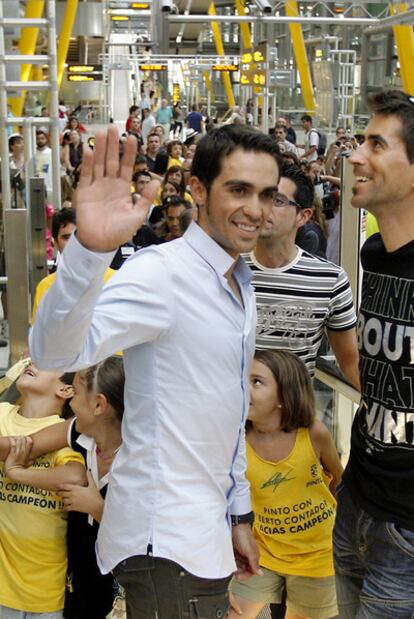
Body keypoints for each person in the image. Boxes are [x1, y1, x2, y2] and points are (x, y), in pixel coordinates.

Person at [29, 124, 282, 619]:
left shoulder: (238, 279)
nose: (256, 208)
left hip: (203, 536)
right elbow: (56, 352)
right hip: (166, 545)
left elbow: (225, 416)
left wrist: (238, 515)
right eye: (238, 189)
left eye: (266, 194)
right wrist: (88, 252)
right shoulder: (161, 274)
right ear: (198, 190)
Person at [332, 89, 414, 618]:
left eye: (376, 144)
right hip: (357, 499)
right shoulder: (374, 252)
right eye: (362, 140)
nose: (357, 156)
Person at [2, 356, 125, 619]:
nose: (71, 403)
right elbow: (26, 445)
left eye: (77, 393)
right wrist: (16, 472)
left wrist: (97, 507)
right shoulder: (78, 434)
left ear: (99, 405)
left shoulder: (139, 463)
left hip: (123, 585)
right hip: (78, 582)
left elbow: (149, 535)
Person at [229, 350, 342, 619]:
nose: (246, 388)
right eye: (244, 380)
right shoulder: (236, 442)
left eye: (257, 382)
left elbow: (339, 481)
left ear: (284, 395)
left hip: (318, 558)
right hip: (262, 554)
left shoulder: (314, 433)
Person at [244, 164, 359, 387]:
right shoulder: (229, 270)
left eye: (277, 201)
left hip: (295, 416)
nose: (264, 208)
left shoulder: (329, 279)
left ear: (303, 216)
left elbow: (350, 361)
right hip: (230, 415)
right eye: (263, 198)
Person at [0, 365, 85, 617]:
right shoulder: (2, 413)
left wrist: (17, 472)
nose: (32, 364)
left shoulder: (64, 433)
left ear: (66, 389)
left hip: (46, 586)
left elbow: (75, 476)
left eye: (48, 365)